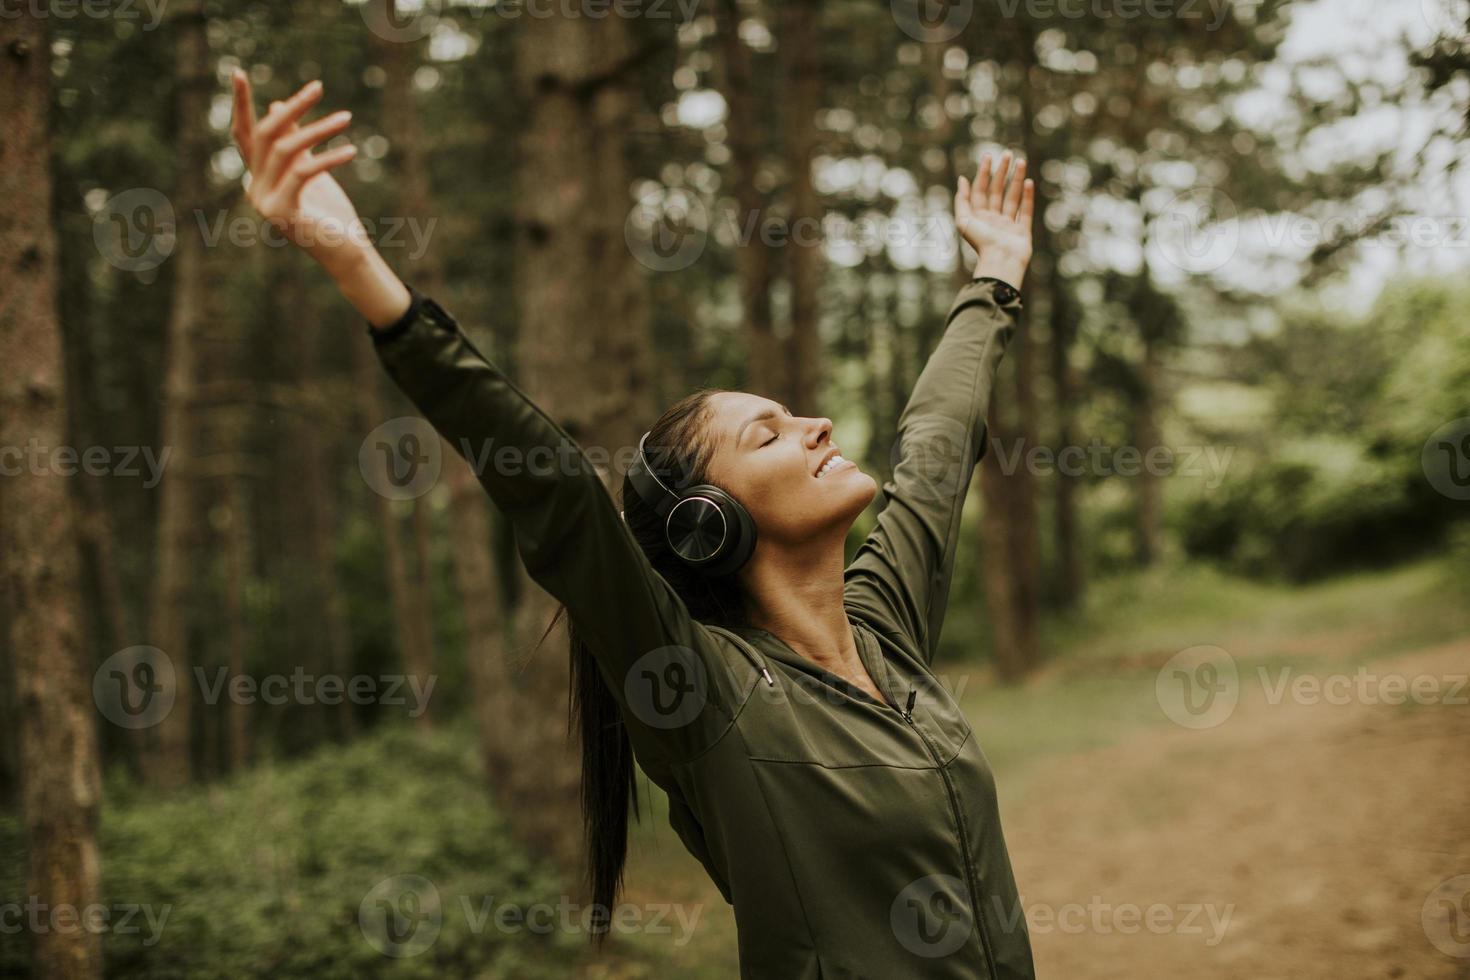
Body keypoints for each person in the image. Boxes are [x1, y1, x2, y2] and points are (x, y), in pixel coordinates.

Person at [231, 71, 1037, 979]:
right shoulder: (706, 694)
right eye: (765, 432)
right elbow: (562, 500)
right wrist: (362, 273)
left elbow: (936, 444)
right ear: (708, 521)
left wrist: (995, 274)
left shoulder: (884, 628)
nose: (814, 424)